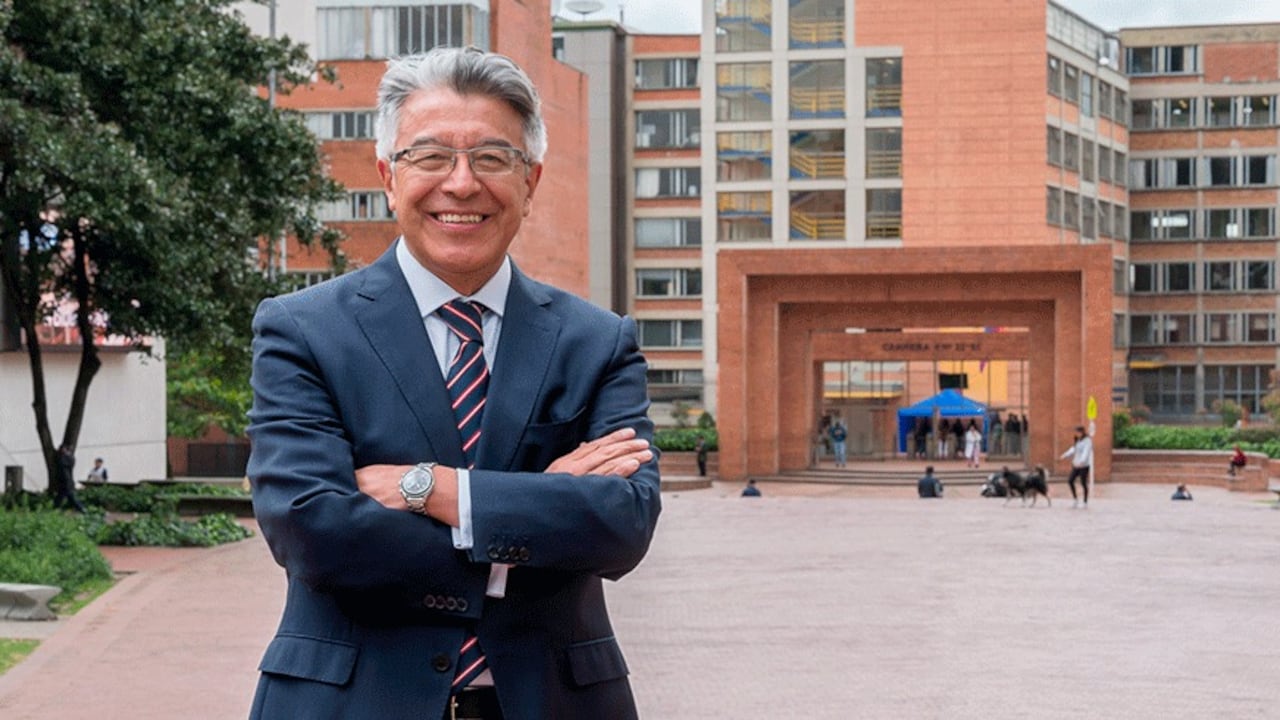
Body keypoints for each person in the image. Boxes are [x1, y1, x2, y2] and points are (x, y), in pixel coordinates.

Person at [245, 48, 661, 720]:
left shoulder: (597, 342)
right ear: (387, 174)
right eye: (431, 156)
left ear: (532, 179)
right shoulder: (303, 331)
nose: (462, 184)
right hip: (349, 702)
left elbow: (622, 526)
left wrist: (434, 490)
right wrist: (539, 508)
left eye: (492, 158)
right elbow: (310, 531)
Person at [1060, 425, 1093, 508]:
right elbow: (1073, 449)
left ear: (1081, 432)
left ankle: (1085, 501)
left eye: (1077, 432)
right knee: (1070, 480)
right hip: (1076, 464)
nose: (1076, 434)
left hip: (1083, 466)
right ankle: (1075, 499)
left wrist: (1082, 462)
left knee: (1083, 483)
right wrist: (1064, 455)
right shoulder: (1078, 440)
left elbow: (1086, 451)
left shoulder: (1087, 441)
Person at [53, 444, 87, 512]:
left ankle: (82, 509)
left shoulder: (66, 458)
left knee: (70, 497)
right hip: (65, 481)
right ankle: (55, 508)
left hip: (66, 481)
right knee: (62, 497)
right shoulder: (69, 457)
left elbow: (60, 463)